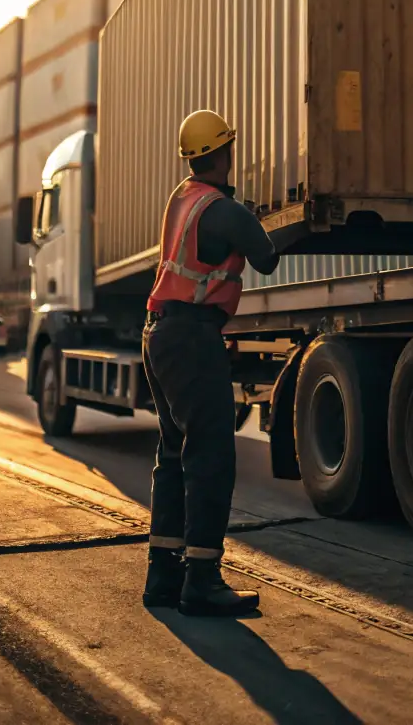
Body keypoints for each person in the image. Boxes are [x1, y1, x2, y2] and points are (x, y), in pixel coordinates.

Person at [141, 108, 280, 617]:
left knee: (175, 454)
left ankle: (164, 573)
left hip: (158, 333)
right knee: (211, 458)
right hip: (192, 340)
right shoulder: (222, 209)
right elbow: (266, 256)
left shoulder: (183, 197)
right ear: (225, 153)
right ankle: (202, 578)